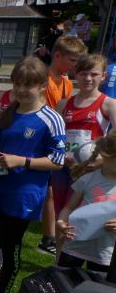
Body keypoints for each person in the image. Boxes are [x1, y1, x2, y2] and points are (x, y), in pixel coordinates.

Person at [0, 56, 65, 293]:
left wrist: (22, 161)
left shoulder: (51, 119)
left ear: (43, 86)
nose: (22, 90)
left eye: (29, 85)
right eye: (18, 84)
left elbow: (57, 161)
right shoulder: (7, 113)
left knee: (9, 244)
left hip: (23, 194)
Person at [51, 54, 116, 226]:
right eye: (83, 73)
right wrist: (58, 154)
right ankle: (56, 243)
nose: (88, 78)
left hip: (88, 168)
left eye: (94, 74)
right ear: (75, 74)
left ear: (103, 76)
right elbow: (53, 136)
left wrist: (101, 160)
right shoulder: (63, 104)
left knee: (76, 214)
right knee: (58, 211)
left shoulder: (109, 104)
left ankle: (74, 243)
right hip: (62, 167)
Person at [38, 35, 87, 256]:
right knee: (46, 190)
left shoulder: (66, 82)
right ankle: (48, 238)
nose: (75, 66)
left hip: (56, 139)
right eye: (73, 60)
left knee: (50, 191)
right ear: (57, 55)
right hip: (41, 137)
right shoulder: (43, 78)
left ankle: (50, 236)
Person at [56, 131, 116, 275]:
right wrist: (61, 222)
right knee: (62, 280)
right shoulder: (88, 179)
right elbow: (69, 207)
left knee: (97, 287)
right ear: (106, 155)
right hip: (75, 244)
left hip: (104, 252)